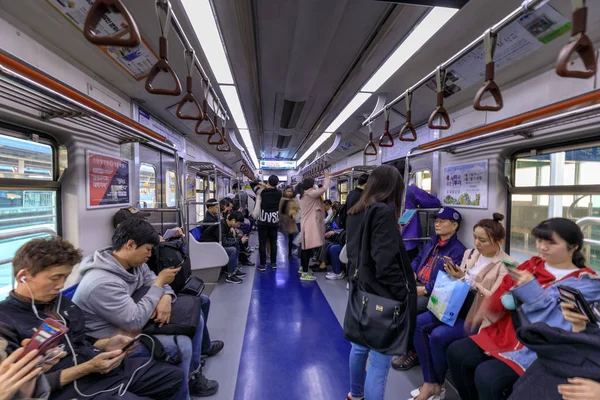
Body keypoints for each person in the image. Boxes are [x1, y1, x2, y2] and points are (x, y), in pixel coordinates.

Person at [0, 236, 184, 400]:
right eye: (55, 278)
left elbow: (78, 341)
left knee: (172, 376)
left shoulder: (61, 304)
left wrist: (105, 344)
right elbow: (25, 388)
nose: (61, 285)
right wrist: (88, 368)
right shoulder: (6, 323)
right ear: (23, 276)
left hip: (95, 365)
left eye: (65, 277)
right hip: (69, 386)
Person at [447, 218, 600, 400]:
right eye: (539, 240)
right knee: (455, 351)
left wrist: (529, 289)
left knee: (488, 376)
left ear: (573, 247)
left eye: (551, 243)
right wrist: (490, 307)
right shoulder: (532, 264)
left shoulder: (585, 283)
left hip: (538, 343)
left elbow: (555, 325)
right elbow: (503, 290)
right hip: (508, 330)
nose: (542, 247)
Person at [73, 219, 219, 399]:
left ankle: (194, 371)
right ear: (130, 245)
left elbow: (152, 280)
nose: (149, 255)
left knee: (198, 307)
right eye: (148, 249)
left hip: (133, 316)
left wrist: (165, 296)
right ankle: (185, 387)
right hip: (112, 339)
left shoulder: (132, 264)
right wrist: (159, 285)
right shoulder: (101, 283)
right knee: (183, 345)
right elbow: (135, 320)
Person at [410, 213, 516, 400]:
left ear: (498, 241)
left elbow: (496, 300)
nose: (477, 243)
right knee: (418, 323)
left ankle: (438, 385)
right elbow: (460, 279)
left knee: (437, 335)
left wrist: (466, 280)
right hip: (456, 306)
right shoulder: (470, 254)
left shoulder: (506, 265)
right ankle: (430, 382)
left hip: (479, 316)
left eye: (483, 240)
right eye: (475, 237)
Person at [345, 165, 417, 400]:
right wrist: (403, 291)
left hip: (361, 288)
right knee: (378, 361)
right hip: (382, 295)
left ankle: (356, 395)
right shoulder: (383, 212)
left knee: (359, 347)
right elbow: (384, 262)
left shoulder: (357, 209)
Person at [392, 207, 466, 371]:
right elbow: (418, 259)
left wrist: (424, 290)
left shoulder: (458, 251)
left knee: (410, 306)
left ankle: (413, 351)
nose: (437, 224)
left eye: (442, 221)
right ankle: (400, 341)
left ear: (454, 226)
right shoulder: (433, 242)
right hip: (417, 283)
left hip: (434, 293)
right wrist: (411, 271)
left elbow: (447, 280)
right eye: (436, 221)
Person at [391, 160, 442, 261]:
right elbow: (434, 203)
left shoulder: (386, 191)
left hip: (390, 240)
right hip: (408, 241)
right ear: (408, 175)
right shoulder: (411, 190)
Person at [297, 171, 330, 281]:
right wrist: (326, 176)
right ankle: (305, 273)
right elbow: (324, 188)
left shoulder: (305, 193)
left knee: (306, 249)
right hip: (309, 226)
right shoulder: (310, 193)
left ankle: (303, 268)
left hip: (307, 224)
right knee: (306, 250)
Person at [201, 211, 248, 284]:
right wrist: (239, 241)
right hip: (207, 246)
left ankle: (234, 269)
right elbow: (224, 242)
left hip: (215, 244)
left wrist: (238, 240)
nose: (239, 226)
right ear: (233, 220)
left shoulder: (226, 225)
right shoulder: (221, 226)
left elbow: (225, 240)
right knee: (232, 250)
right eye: (238, 223)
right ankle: (230, 276)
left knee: (236, 245)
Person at [256, 175, 282, 272]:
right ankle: (273, 263)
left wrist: (263, 185)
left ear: (268, 182)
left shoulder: (262, 191)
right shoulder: (279, 193)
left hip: (263, 220)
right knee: (273, 242)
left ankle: (263, 264)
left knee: (262, 243)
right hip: (274, 220)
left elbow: (252, 183)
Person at [279, 185, 300, 259]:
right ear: (284, 192)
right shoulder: (281, 200)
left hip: (290, 221)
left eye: (291, 191)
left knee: (290, 239)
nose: (290, 193)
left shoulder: (294, 201)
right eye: (288, 191)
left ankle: (290, 253)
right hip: (282, 221)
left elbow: (297, 209)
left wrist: (293, 213)